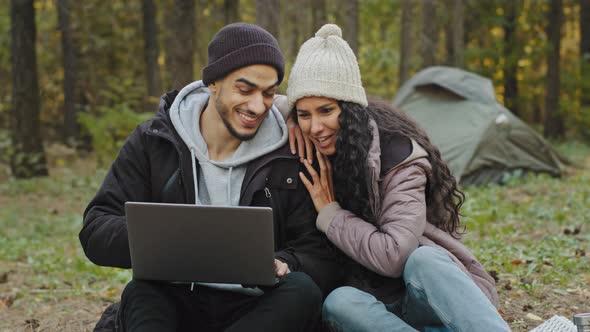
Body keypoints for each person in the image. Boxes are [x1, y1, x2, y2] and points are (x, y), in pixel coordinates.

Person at [80, 23, 341, 332]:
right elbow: (96, 227)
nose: (257, 106)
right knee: (141, 291)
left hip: (256, 305)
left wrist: (285, 262)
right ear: (213, 83)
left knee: (302, 292)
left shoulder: (290, 151)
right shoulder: (155, 140)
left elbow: (317, 250)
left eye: (268, 93)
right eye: (245, 90)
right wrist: (158, 239)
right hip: (176, 296)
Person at [286, 23, 511, 332]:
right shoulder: (306, 140)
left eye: (326, 110)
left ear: (349, 109)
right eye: (304, 114)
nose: (315, 127)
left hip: (431, 298)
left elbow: (395, 256)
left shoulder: (399, 157)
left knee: (424, 259)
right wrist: (284, 117)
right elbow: (254, 102)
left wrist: (331, 214)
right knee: (338, 302)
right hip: (382, 310)